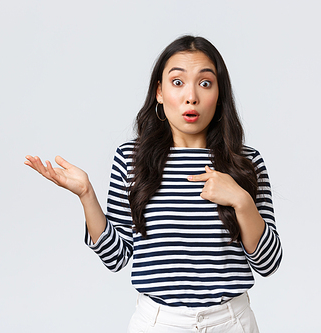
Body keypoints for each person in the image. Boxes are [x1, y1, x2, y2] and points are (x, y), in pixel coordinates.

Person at [25, 35, 282, 333]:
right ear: (159, 92)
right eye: (177, 82)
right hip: (159, 324)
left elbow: (268, 263)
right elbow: (115, 255)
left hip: (231, 322)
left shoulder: (246, 162)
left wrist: (241, 200)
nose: (191, 97)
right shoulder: (132, 160)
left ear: (219, 94)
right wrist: (86, 195)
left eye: (205, 83)